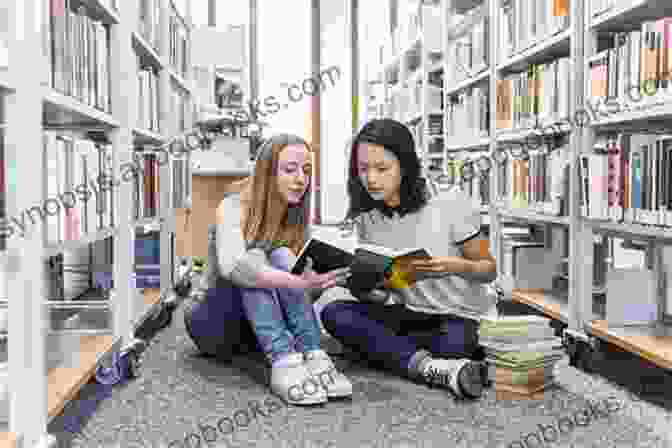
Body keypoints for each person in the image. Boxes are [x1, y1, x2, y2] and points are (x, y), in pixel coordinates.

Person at [321, 118, 498, 399]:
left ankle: (396, 353)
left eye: (382, 168)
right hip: (409, 311)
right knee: (334, 313)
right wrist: (364, 286)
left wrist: (455, 266)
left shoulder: (449, 200)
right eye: (363, 169)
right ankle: (430, 367)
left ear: (405, 165)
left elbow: (489, 270)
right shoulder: (367, 214)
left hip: (457, 314)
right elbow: (387, 288)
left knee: (451, 345)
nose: (371, 179)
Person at [184, 133, 353, 405]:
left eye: (306, 170)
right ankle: (284, 361)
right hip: (211, 322)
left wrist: (317, 284)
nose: (301, 178)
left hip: (255, 328)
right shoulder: (233, 206)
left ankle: (313, 354)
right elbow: (235, 269)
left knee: (284, 255)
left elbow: (296, 300)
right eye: (290, 169)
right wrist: (297, 283)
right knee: (253, 258)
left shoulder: (295, 218)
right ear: (266, 172)